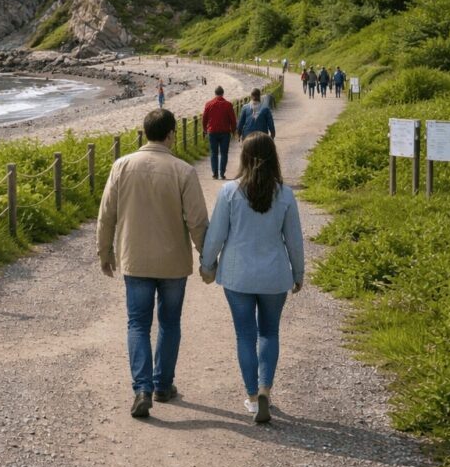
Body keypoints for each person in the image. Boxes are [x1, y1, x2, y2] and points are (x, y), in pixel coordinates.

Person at [98, 109, 209, 419]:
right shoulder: (183, 171)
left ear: (145, 132)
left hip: (135, 259)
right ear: (171, 134)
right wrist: (207, 259)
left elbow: (107, 213)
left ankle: (142, 388)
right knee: (170, 323)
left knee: (137, 324)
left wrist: (104, 252)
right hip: (173, 261)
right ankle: (162, 385)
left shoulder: (122, 165)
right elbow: (198, 221)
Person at [199, 133, 304, 424]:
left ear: (243, 157)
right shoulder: (284, 194)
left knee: (245, 335)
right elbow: (294, 240)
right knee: (269, 333)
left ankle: (251, 395)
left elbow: (216, 234)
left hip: (238, 275)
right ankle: (265, 388)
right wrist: (298, 273)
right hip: (274, 275)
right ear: (274, 159)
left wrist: (207, 265)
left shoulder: (230, 192)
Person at [202, 86, 237, 180]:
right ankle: (222, 173)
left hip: (212, 131)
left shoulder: (208, 104)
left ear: (215, 93)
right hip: (225, 132)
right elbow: (233, 119)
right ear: (223, 93)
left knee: (214, 153)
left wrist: (204, 129)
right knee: (224, 153)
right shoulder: (228, 104)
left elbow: (204, 118)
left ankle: (215, 173)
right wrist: (234, 131)